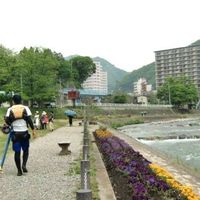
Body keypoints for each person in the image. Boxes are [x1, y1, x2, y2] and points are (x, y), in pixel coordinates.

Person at [5, 94, 36, 176]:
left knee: (17, 152)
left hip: (15, 134)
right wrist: (33, 130)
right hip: (24, 133)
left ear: (13, 101)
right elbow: (29, 120)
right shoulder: (25, 108)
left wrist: (11, 124)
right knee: (26, 150)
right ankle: (24, 165)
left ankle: (19, 171)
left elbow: (7, 121)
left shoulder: (10, 109)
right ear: (21, 100)